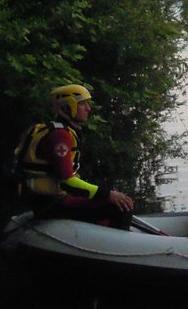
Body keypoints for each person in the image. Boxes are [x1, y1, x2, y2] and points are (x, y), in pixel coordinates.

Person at [12, 83, 135, 227]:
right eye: (83, 104)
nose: (88, 109)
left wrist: (106, 193)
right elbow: (67, 182)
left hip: (44, 199)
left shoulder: (54, 130)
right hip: (51, 203)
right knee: (122, 207)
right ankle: (115, 245)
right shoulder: (60, 136)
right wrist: (108, 194)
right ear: (68, 106)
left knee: (111, 197)